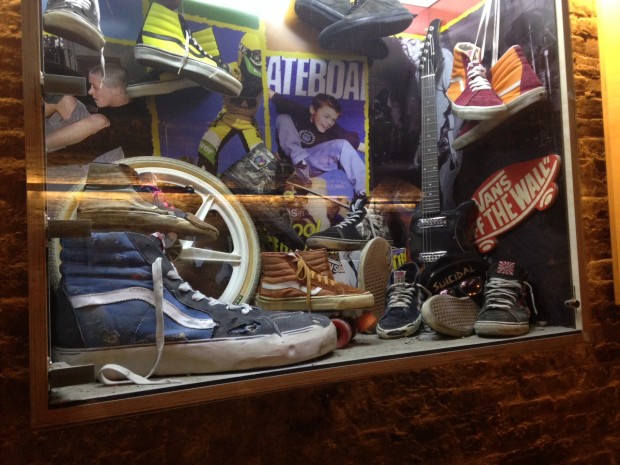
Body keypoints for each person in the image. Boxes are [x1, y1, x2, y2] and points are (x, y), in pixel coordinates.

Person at [269, 89, 367, 199]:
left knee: (343, 144)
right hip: (290, 161)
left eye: (333, 120)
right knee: (283, 117)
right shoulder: (298, 111)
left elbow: (359, 146)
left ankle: (363, 192)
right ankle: (299, 162)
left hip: (310, 164)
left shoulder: (334, 130)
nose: (329, 123)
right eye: (326, 116)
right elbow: (272, 94)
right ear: (313, 109)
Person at [196, 31, 264, 174]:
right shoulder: (234, 69)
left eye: (264, 58)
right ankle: (208, 181)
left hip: (248, 122)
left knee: (262, 160)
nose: (261, 62)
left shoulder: (266, 75)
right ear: (244, 53)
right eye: (258, 57)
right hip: (227, 117)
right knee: (206, 147)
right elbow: (223, 70)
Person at [45, 63, 131, 153]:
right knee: (63, 98)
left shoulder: (131, 114)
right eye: (91, 86)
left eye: (95, 87)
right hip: (81, 129)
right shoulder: (102, 101)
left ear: (116, 90)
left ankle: (39, 146)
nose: (90, 91)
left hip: (95, 145)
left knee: (99, 120)